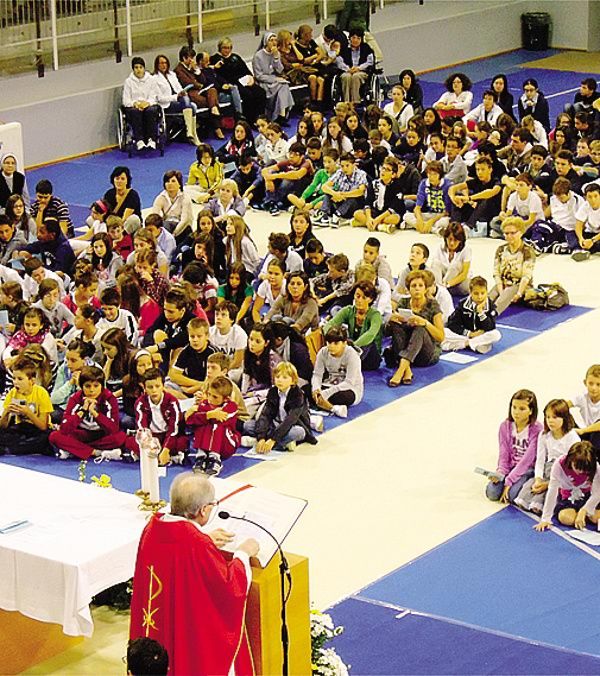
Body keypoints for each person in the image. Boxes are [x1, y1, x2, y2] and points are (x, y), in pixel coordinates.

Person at [129, 472, 258, 675]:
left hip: (156, 623)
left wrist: (203, 538)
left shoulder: (153, 528)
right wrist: (243, 553)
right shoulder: (195, 544)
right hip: (182, 630)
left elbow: (174, 554)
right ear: (203, 510)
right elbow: (228, 585)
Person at [515, 399, 580, 514]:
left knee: (546, 495)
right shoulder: (544, 435)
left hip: (563, 473)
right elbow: (540, 460)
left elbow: (573, 471)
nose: (550, 421)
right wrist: (538, 479)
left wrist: (548, 484)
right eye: (547, 417)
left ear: (564, 418)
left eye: (555, 417)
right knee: (527, 490)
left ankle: (542, 504)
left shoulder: (572, 437)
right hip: (547, 469)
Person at [49, 365, 126, 460]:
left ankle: (75, 450)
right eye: (87, 386)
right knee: (54, 436)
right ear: (82, 387)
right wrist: (83, 411)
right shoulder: (75, 398)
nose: (92, 390)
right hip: (82, 434)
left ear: (102, 386)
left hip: (101, 434)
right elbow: (64, 429)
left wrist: (95, 413)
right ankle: (97, 452)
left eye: (96, 386)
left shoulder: (109, 398)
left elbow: (113, 428)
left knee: (120, 437)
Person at [385, 269, 444, 387]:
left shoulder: (433, 305)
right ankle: (406, 369)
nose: (417, 288)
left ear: (426, 288)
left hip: (426, 354)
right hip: (407, 349)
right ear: (408, 289)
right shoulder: (403, 302)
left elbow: (441, 337)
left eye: (420, 285)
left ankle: (400, 371)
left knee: (420, 328)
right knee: (397, 325)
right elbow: (388, 332)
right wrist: (391, 320)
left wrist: (425, 323)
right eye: (413, 286)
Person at [242, 361, 316, 452]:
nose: (280, 380)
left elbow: (290, 420)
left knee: (298, 432)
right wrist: (261, 437)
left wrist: (273, 440)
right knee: (248, 425)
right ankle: (282, 443)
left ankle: (265, 444)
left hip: (292, 426)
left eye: (285, 377)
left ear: (293, 381)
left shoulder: (298, 395)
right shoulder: (273, 392)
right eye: (277, 377)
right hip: (275, 424)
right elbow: (265, 415)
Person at [486, 389, 542, 503]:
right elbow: (503, 454)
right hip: (510, 466)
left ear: (531, 411)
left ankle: (524, 483)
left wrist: (509, 481)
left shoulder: (537, 429)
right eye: (514, 407)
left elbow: (527, 460)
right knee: (492, 493)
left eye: (522, 409)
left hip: (527, 469)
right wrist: (500, 473)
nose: (516, 412)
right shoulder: (505, 426)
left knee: (512, 495)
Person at [534, 441, 600, 532]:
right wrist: (545, 519)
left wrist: (584, 511)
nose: (580, 472)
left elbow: (597, 494)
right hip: (567, 498)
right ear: (571, 460)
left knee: (596, 518)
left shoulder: (596, 467)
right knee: (565, 517)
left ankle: (585, 516)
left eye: (585, 470)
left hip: (587, 497)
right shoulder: (559, 464)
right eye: (577, 467)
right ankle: (582, 518)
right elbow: (552, 490)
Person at [130, 367, 187, 466]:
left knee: (182, 442)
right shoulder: (140, 403)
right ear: (144, 388)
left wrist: (166, 449)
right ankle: (162, 456)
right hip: (152, 437)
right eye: (150, 387)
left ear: (163, 386)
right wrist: (150, 445)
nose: (154, 390)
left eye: (157, 386)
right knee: (131, 442)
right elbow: (142, 427)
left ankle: (164, 455)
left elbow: (174, 429)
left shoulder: (172, 402)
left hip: (168, 436)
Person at [185, 375, 240, 475]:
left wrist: (205, 415)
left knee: (215, 426)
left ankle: (215, 458)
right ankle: (201, 457)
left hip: (226, 444)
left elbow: (220, 419)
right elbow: (190, 421)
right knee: (204, 424)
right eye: (209, 394)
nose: (210, 399)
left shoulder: (231, 406)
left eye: (215, 397)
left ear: (226, 399)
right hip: (207, 445)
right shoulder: (204, 404)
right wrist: (209, 415)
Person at [324, 280, 382, 371]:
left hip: (370, 358)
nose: (359, 300)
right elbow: (329, 325)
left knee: (368, 342)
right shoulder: (348, 310)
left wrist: (352, 346)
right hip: (350, 351)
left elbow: (371, 334)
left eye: (364, 297)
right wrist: (335, 337)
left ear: (371, 299)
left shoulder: (375, 315)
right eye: (357, 296)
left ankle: (343, 365)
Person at [0, 357, 53, 456]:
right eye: (14, 378)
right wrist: (6, 412)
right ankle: (15, 448)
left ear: (31, 380)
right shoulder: (12, 393)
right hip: (21, 428)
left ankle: (12, 448)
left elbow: (43, 426)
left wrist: (28, 413)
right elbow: (3, 426)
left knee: (46, 438)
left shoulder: (41, 393)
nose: (15, 382)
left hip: (36, 430)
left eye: (20, 379)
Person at [211, 37, 267, 124]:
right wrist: (214, 67)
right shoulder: (215, 59)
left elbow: (246, 70)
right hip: (231, 83)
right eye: (225, 48)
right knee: (248, 95)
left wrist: (251, 77)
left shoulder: (235, 57)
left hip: (244, 80)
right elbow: (211, 73)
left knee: (261, 92)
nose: (227, 50)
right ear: (220, 48)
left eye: (229, 48)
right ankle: (250, 120)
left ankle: (260, 118)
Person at [311, 325, 363, 419]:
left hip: (349, 388)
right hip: (329, 383)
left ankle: (321, 403)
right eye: (329, 342)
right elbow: (317, 374)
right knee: (306, 389)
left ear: (344, 343)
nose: (331, 346)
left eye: (336, 343)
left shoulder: (352, 355)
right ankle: (333, 408)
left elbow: (349, 382)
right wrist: (316, 389)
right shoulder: (323, 352)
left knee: (343, 397)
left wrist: (326, 393)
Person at [174, 46, 223, 139]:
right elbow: (187, 82)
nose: (193, 60)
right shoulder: (179, 70)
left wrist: (196, 70)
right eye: (190, 58)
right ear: (184, 58)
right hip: (190, 93)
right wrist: (199, 85)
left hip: (200, 91)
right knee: (211, 102)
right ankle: (217, 127)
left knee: (213, 90)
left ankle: (213, 108)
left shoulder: (192, 68)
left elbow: (203, 80)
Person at [489, 217, 536, 315]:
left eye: (513, 233)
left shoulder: (528, 251)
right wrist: (501, 290)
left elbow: (526, 276)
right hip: (504, 283)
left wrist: (519, 293)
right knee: (490, 296)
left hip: (520, 287)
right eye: (506, 233)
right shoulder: (501, 249)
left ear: (521, 233)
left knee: (508, 293)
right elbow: (496, 272)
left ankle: (492, 314)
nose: (509, 236)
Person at [443, 276, 501, 354]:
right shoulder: (463, 304)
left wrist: (481, 313)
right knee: (444, 331)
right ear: (470, 292)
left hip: (482, 335)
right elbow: (453, 324)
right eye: (476, 293)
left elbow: (490, 327)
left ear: (487, 292)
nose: (480, 297)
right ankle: (476, 344)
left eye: (482, 293)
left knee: (496, 334)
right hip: (465, 335)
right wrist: (470, 333)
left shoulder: (490, 306)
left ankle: (466, 344)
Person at [153, 53, 201, 146]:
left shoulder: (172, 74)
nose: (164, 65)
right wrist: (175, 97)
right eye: (161, 63)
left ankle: (192, 133)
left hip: (179, 101)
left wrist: (182, 92)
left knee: (192, 104)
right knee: (190, 104)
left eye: (165, 63)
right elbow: (159, 98)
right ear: (157, 65)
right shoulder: (154, 78)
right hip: (166, 104)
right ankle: (191, 133)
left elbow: (179, 88)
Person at [352, 155, 404, 234]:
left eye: (387, 170)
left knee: (395, 219)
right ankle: (381, 227)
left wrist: (377, 219)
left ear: (393, 174)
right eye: (382, 168)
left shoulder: (397, 186)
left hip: (387, 213)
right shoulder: (374, 183)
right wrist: (369, 218)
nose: (383, 171)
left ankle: (365, 223)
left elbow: (393, 208)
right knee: (357, 213)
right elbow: (368, 202)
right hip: (375, 211)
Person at [314, 152, 368, 226]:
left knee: (352, 198)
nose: (344, 168)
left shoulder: (361, 174)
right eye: (342, 166)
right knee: (328, 193)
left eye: (347, 165)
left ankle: (337, 215)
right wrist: (335, 194)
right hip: (340, 201)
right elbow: (324, 187)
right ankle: (324, 216)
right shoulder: (340, 172)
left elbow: (361, 191)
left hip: (354, 205)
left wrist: (343, 195)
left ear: (353, 164)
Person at [252, 32, 294, 124]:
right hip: (264, 82)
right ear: (266, 42)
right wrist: (274, 79)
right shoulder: (258, 56)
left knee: (284, 86)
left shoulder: (277, 53)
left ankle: (281, 115)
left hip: (275, 80)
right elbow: (259, 76)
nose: (274, 42)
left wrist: (275, 58)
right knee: (282, 85)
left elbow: (279, 70)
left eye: (275, 40)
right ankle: (281, 115)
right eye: (271, 40)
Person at [122, 57, 161, 151]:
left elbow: (154, 96)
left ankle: (151, 139)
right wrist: (135, 103)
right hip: (134, 107)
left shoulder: (151, 80)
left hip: (148, 105)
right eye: (136, 67)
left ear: (144, 68)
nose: (138, 70)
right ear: (133, 69)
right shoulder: (128, 82)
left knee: (151, 111)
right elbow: (125, 100)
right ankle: (139, 140)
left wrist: (147, 103)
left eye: (140, 67)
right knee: (135, 112)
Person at [403, 161, 451, 234]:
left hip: (440, 216)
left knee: (445, 222)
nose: (431, 177)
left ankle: (415, 226)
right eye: (429, 174)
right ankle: (434, 230)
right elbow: (417, 208)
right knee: (406, 216)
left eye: (435, 174)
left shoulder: (447, 185)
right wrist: (420, 220)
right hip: (428, 213)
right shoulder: (423, 183)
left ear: (440, 175)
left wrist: (431, 222)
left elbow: (446, 212)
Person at [429, 221, 472, 296]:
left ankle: (440, 291)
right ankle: (438, 290)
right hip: (442, 281)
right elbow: (435, 269)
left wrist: (447, 284)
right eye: (450, 239)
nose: (452, 243)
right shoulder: (440, 247)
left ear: (460, 240)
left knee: (455, 265)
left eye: (455, 240)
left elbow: (464, 274)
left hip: (459, 282)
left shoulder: (466, 249)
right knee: (435, 263)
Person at [150, 170, 193, 239]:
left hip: (183, 228)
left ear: (179, 184)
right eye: (167, 181)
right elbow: (154, 218)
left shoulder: (185, 198)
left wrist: (173, 234)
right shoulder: (160, 198)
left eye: (173, 181)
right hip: (167, 227)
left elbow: (184, 220)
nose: (170, 184)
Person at [336, 27, 374, 104]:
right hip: (347, 71)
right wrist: (348, 69)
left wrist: (358, 68)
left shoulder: (366, 48)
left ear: (361, 39)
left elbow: (370, 62)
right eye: (353, 37)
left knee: (356, 76)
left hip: (361, 71)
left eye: (358, 38)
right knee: (346, 77)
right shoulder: (344, 48)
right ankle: (346, 102)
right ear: (350, 38)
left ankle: (355, 102)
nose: (355, 40)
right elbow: (339, 61)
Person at [571, 182, 600, 261]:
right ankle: (580, 249)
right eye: (589, 197)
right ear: (586, 198)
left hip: (597, 237)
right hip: (590, 233)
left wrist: (592, 241)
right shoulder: (585, 206)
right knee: (572, 234)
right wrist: (581, 239)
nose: (593, 200)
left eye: (595, 196)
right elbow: (578, 225)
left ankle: (587, 249)